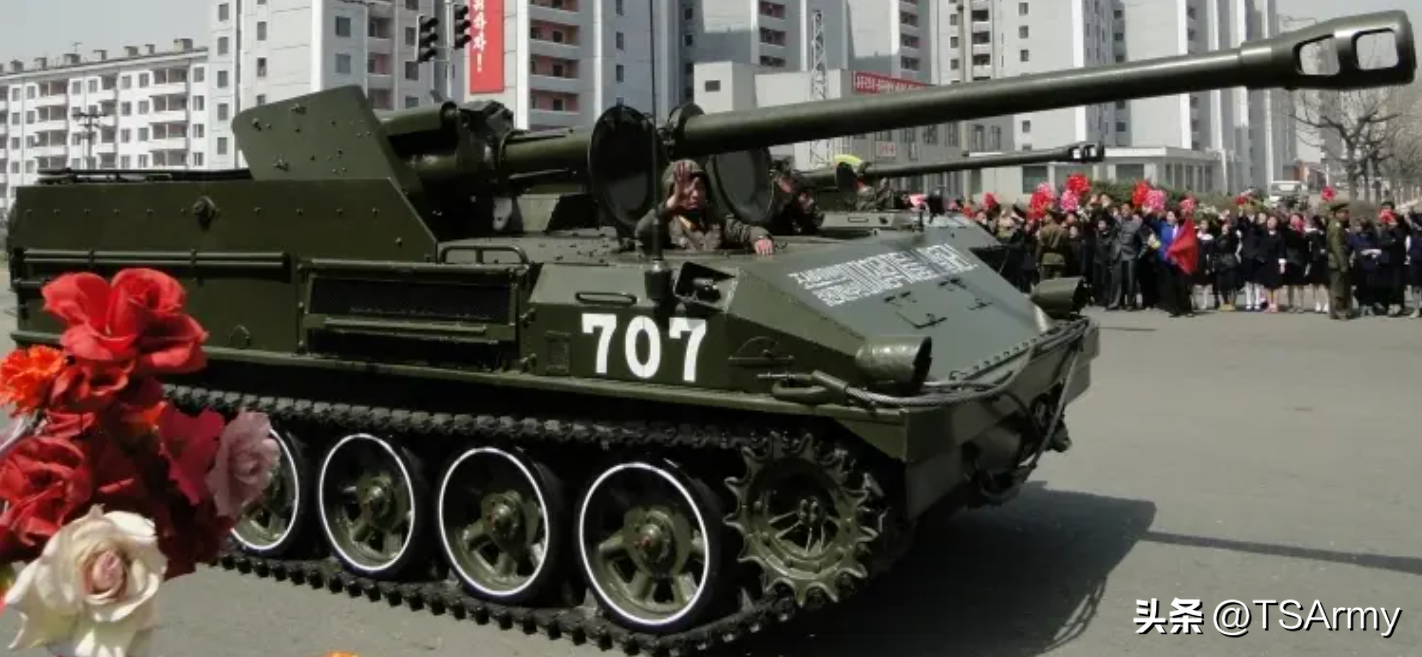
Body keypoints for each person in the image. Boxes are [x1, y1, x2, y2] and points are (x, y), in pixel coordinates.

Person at [636, 160, 775, 255]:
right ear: (671, 192)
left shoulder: (714, 220)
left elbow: (745, 231)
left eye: (700, 188)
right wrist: (670, 204)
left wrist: (760, 238)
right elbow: (642, 231)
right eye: (687, 189)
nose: (696, 194)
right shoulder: (666, 223)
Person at [766, 171, 825, 235]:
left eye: (813, 196)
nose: (812, 201)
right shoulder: (779, 216)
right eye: (806, 196)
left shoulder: (806, 214)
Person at [1112, 202, 1145, 310]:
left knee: (1131, 280)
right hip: (1119, 254)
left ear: (1132, 210)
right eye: (1122, 209)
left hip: (1131, 255)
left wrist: (1139, 255)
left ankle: (1130, 303)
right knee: (1118, 280)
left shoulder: (1137, 223)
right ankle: (1116, 302)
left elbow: (1144, 242)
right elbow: (1113, 235)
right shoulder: (1118, 220)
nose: (1124, 211)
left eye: (1126, 209)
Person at [1325, 201, 1353, 320]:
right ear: (1336, 213)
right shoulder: (1335, 226)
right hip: (1337, 261)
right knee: (1338, 288)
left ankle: (1339, 311)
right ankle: (1339, 311)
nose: (1345, 215)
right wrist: (1343, 264)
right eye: (1342, 212)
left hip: (1338, 260)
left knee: (1341, 286)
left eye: (1346, 212)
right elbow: (1336, 247)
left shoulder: (1339, 225)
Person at [1256, 215, 1286, 313]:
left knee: (1276, 284)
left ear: (1276, 223)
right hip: (1264, 261)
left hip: (1276, 261)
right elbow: (1255, 228)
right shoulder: (1262, 233)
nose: (1271, 222)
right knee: (1267, 284)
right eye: (1269, 220)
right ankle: (1270, 305)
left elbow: (1281, 250)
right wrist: (1260, 221)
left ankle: (1275, 305)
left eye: (1273, 221)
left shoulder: (1280, 235)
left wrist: (1282, 264)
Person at [1303, 215, 1329, 313]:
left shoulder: (1329, 233)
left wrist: (1326, 251)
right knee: (1315, 283)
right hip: (1315, 260)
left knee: (1326, 283)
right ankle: (1317, 303)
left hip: (1326, 260)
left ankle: (1327, 303)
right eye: (1320, 220)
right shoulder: (1313, 233)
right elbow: (1304, 239)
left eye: (1323, 220)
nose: (1321, 222)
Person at [1035, 210, 1071, 280]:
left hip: (1046, 260)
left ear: (1050, 217)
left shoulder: (1044, 230)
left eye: (1046, 216)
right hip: (1060, 260)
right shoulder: (1064, 231)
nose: (1044, 218)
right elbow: (1067, 247)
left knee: (1045, 283)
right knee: (1057, 284)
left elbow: (1040, 247)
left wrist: (1037, 260)